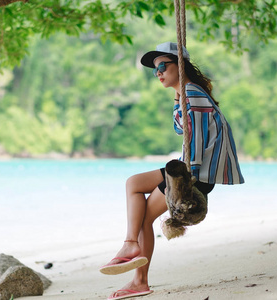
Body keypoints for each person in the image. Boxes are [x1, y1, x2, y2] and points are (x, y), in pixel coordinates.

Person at [99, 42, 245, 300]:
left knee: (144, 215)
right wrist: (177, 97)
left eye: (163, 66)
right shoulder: (187, 93)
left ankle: (139, 279)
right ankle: (131, 244)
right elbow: (181, 129)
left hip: (193, 173)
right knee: (133, 183)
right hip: (187, 167)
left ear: (180, 64)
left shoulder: (194, 92)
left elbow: (197, 140)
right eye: (156, 70)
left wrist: (187, 181)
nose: (158, 73)